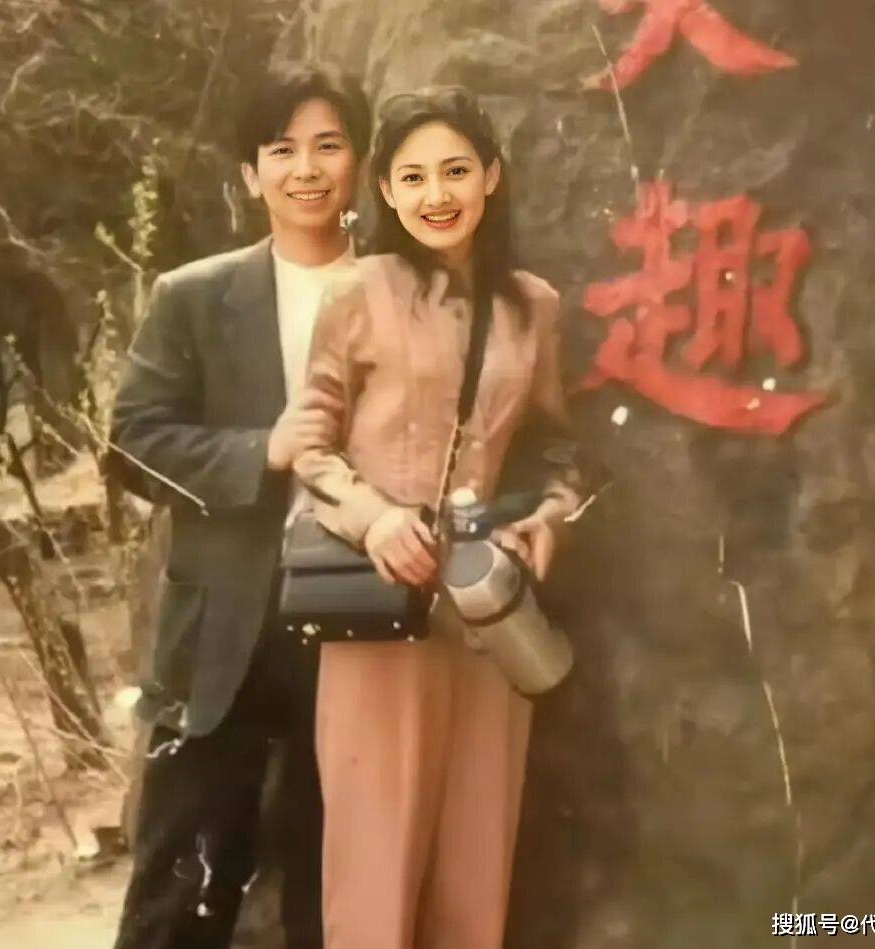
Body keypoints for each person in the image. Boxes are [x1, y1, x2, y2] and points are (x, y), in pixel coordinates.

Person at [292, 86, 584, 949]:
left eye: (456, 170)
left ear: (491, 175)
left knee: (475, 865)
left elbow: (556, 447)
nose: (436, 194)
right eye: (413, 177)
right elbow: (309, 445)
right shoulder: (356, 293)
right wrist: (375, 520)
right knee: (373, 871)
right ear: (385, 191)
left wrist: (550, 518)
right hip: (379, 606)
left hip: (489, 611)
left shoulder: (534, 306)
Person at [108, 62, 370, 949]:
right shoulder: (192, 296)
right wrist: (262, 450)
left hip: (363, 614)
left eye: (329, 146)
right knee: (179, 882)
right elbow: (134, 441)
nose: (307, 169)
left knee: (337, 881)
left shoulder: (397, 289)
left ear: (359, 163)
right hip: (224, 625)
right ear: (250, 175)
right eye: (282, 150)